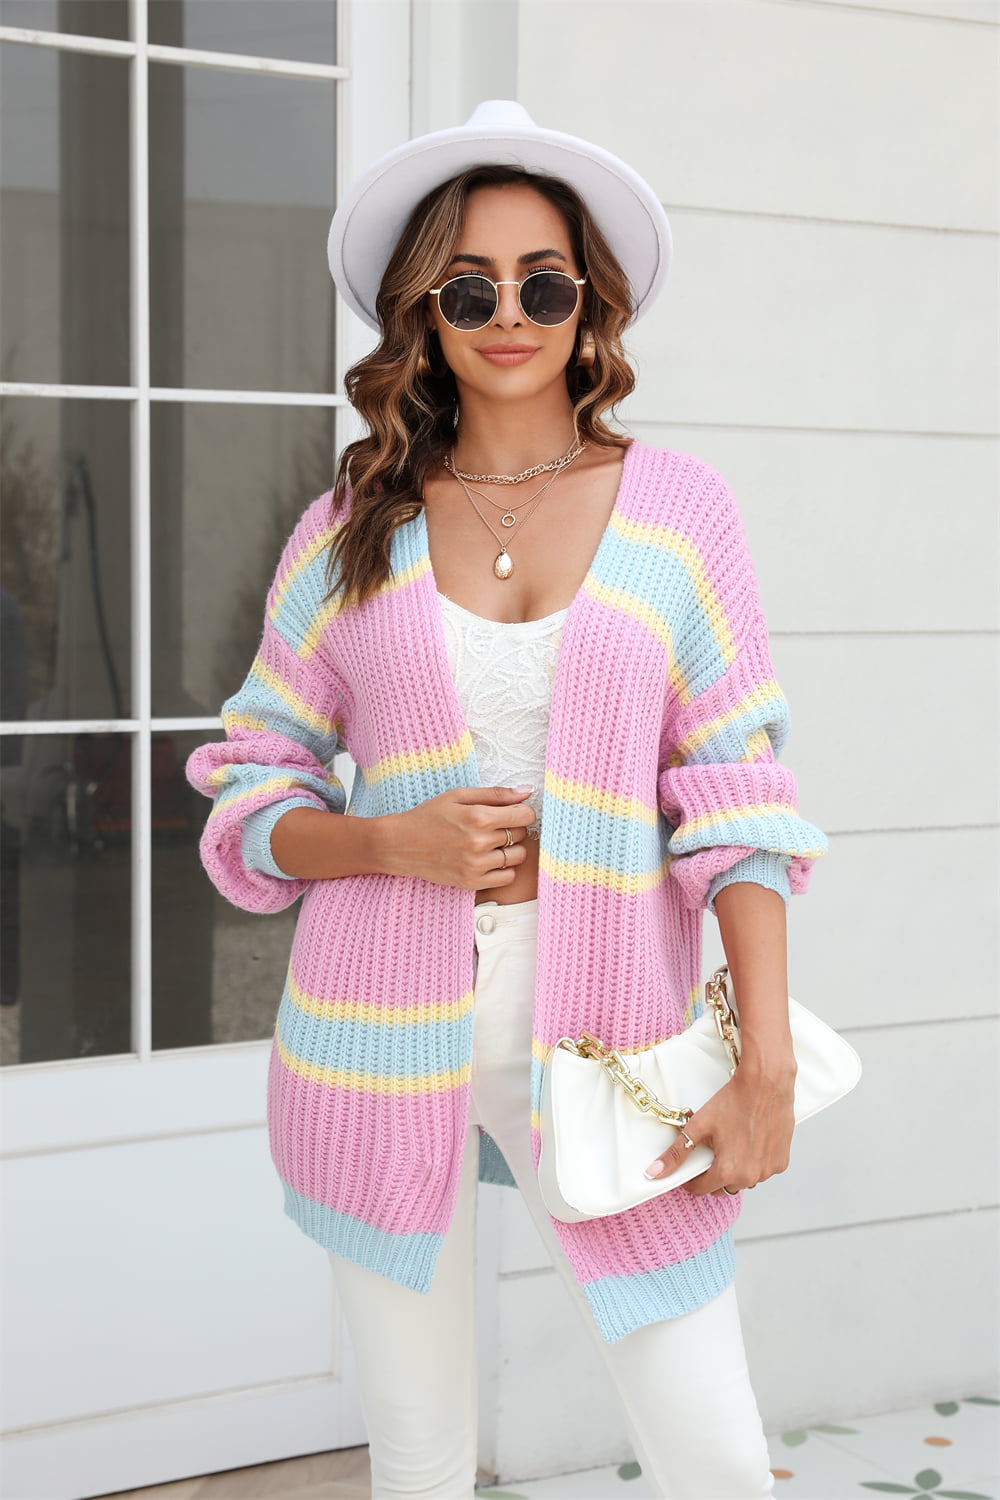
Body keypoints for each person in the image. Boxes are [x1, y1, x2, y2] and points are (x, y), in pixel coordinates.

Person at [186, 101, 828, 1500]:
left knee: (716, 1453)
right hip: (371, 1040)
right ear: (425, 313)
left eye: (545, 283)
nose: (511, 316)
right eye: (469, 288)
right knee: (419, 1456)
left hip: (615, 1040)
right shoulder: (349, 530)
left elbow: (740, 799)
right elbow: (251, 782)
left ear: (590, 304)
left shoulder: (681, 513)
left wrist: (765, 1060)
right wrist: (387, 840)